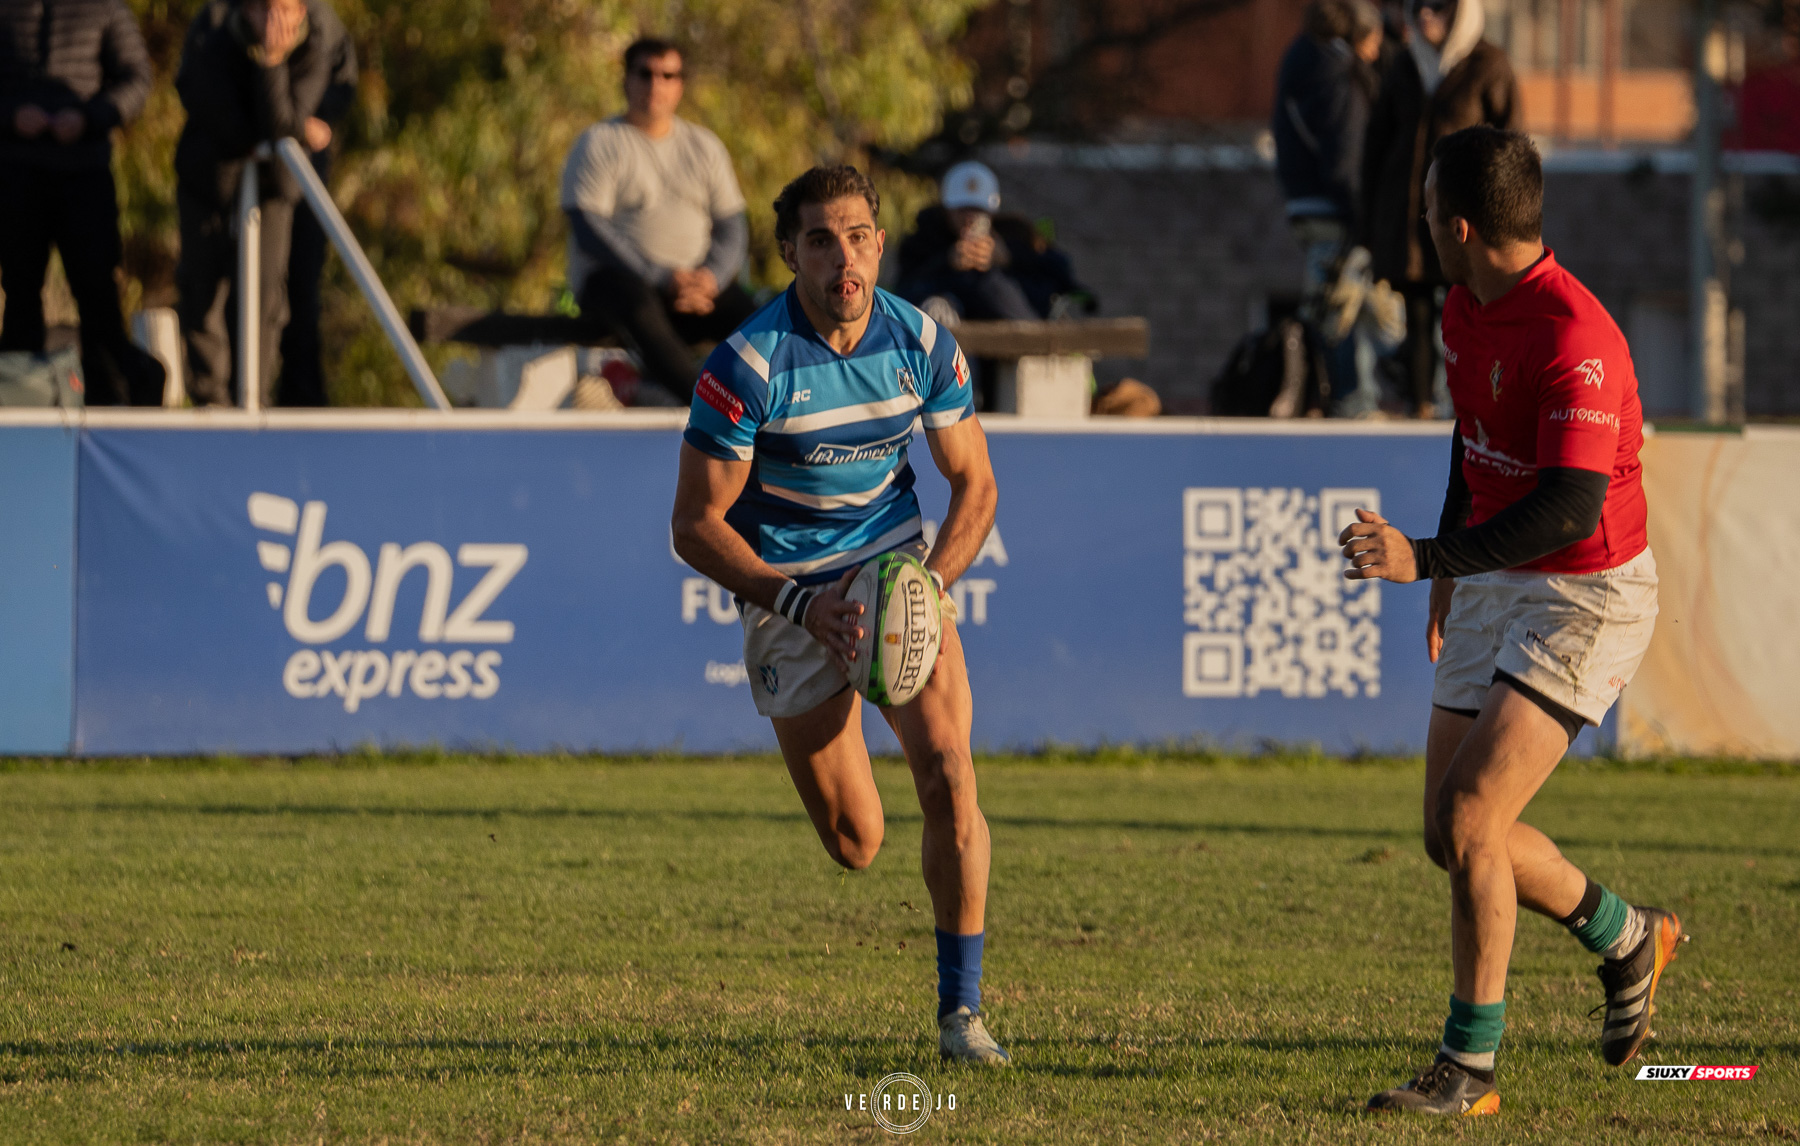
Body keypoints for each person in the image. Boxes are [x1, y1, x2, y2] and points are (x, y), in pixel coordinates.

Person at [1339, 127, 1681, 1115]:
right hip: (1493, 572)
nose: (1421, 230)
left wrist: (1426, 559)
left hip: (1586, 590)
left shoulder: (1578, 338)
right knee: (1451, 834)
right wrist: (1454, 561)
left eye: (1427, 213)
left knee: (1474, 819)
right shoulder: (1463, 301)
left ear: (1460, 226)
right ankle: (1625, 936)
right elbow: (1473, 434)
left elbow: (1571, 505)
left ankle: (1471, 1072)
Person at [671, 165, 1008, 1066]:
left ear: (880, 245)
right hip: (793, 599)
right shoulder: (747, 365)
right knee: (857, 843)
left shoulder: (922, 342)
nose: (843, 257)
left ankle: (961, 1015)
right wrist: (801, 603)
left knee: (948, 772)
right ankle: (848, 754)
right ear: (791, 254)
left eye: (858, 236)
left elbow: (974, 483)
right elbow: (695, 526)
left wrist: (930, 585)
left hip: (895, 574)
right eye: (821, 239)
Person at [561, 37, 754, 404]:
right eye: (645, 74)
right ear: (626, 80)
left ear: (680, 84)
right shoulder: (599, 143)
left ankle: (784, 413)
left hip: (696, 288)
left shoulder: (704, 146)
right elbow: (589, 230)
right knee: (635, 302)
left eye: (668, 75)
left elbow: (732, 225)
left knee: (757, 318)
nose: (656, 85)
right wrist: (662, 277)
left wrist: (710, 278)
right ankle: (708, 406)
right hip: (620, 286)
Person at [174, 0, 336, 407]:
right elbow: (225, 119)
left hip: (273, 193)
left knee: (266, 298)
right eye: (264, 11)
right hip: (208, 186)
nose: (275, 23)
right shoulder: (213, 36)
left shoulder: (315, 47)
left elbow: (280, 125)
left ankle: (254, 400)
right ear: (245, 10)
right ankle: (211, 401)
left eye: (285, 11)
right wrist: (298, 130)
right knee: (202, 296)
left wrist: (271, 62)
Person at [1360, 0, 1517, 417]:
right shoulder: (1404, 65)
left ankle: (1466, 405)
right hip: (1408, 217)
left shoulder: (1490, 64)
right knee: (1416, 312)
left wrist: (1501, 217)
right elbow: (1376, 144)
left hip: (1465, 218)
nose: (1426, 15)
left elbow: (1512, 147)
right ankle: (1420, 405)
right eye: (1418, 7)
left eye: (1438, 7)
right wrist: (1369, 220)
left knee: (1466, 313)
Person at [0, 0, 159, 405]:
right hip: (17, 173)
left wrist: (90, 117)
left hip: (84, 174)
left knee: (98, 295)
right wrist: (12, 114)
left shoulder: (105, 8)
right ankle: (21, 406)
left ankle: (109, 404)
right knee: (20, 294)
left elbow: (137, 78)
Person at [1273, 0, 1385, 418]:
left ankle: (1342, 396)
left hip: (1304, 202)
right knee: (1344, 308)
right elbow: (1346, 158)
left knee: (1331, 303)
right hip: (1335, 210)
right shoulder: (1337, 77)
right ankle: (1354, 401)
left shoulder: (1302, 63)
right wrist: (1364, 217)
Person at [275, 3, 355, 407]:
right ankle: (243, 395)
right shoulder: (236, 14)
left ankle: (303, 397)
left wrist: (317, 119)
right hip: (253, 173)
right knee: (255, 291)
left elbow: (345, 83)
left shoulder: (324, 23)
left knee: (304, 290)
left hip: (309, 174)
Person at [897, 160, 1086, 325]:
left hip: (1011, 345)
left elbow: (1059, 275)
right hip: (956, 350)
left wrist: (1008, 258)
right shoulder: (924, 239)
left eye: (978, 209)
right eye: (962, 209)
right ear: (947, 210)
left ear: (992, 212)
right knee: (938, 308)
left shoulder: (1015, 235)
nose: (970, 218)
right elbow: (904, 292)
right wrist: (947, 262)